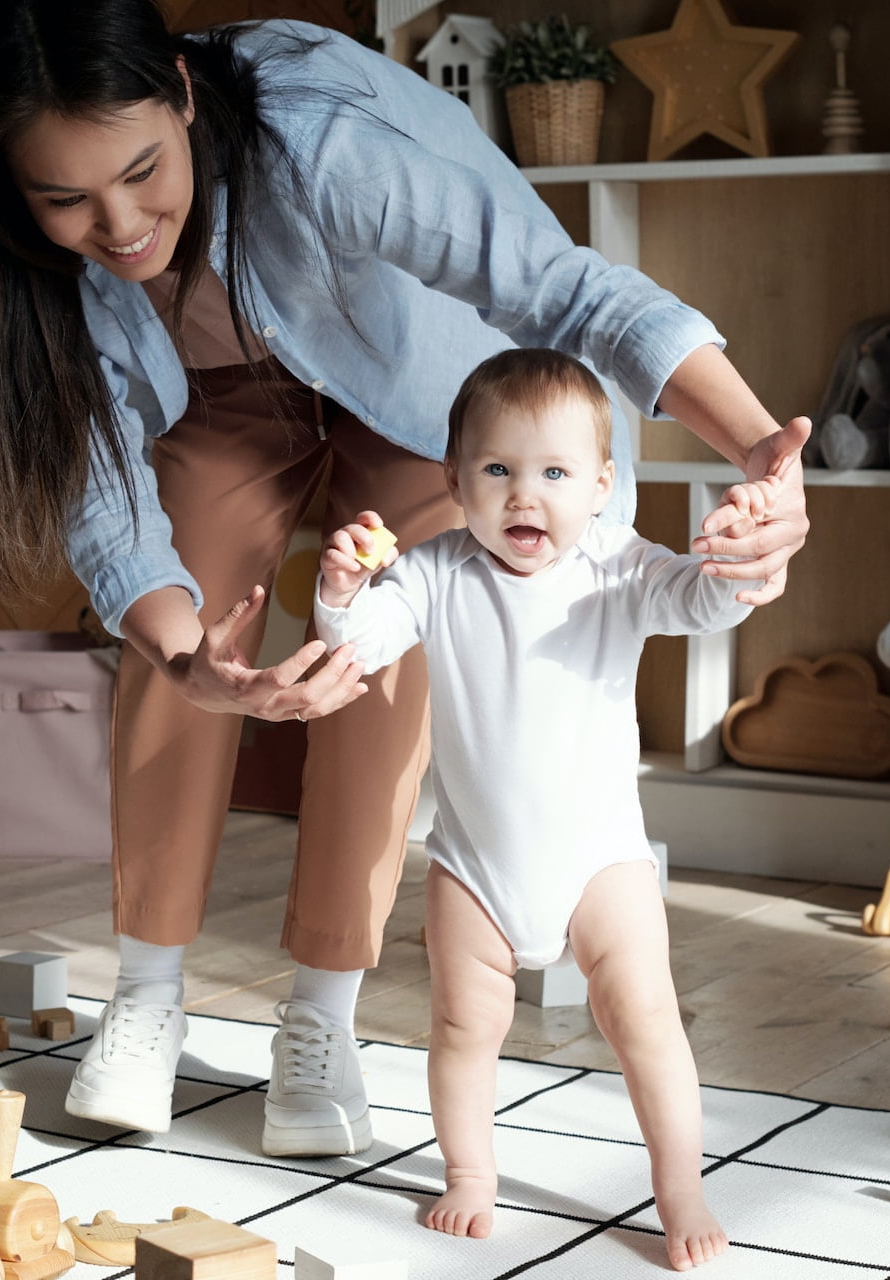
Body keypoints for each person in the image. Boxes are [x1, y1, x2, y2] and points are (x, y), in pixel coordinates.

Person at [0, 0, 811, 1159]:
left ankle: (322, 1015)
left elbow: (567, 292)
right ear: (14, 189)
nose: (121, 224)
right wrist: (191, 660)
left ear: (184, 96)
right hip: (220, 401)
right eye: (66, 199)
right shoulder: (43, 273)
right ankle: (145, 993)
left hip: (420, 392)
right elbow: (109, 506)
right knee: (183, 620)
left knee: (395, 634)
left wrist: (759, 450)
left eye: (143, 172)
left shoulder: (321, 139)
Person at [316, 349, 769, 1269]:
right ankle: (469, 1174)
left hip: (602, 861)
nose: (526, 496)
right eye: (497, 470)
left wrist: (731, 563)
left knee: (646, 1019)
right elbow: (361, 644)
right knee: (461, 1028)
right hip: (473, 867)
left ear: (602, 486)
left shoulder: (617, 565)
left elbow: (700, 602)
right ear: (454, 482)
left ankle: (680, 1186)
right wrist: (339, 593)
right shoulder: (435, 573)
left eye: (556, 473)